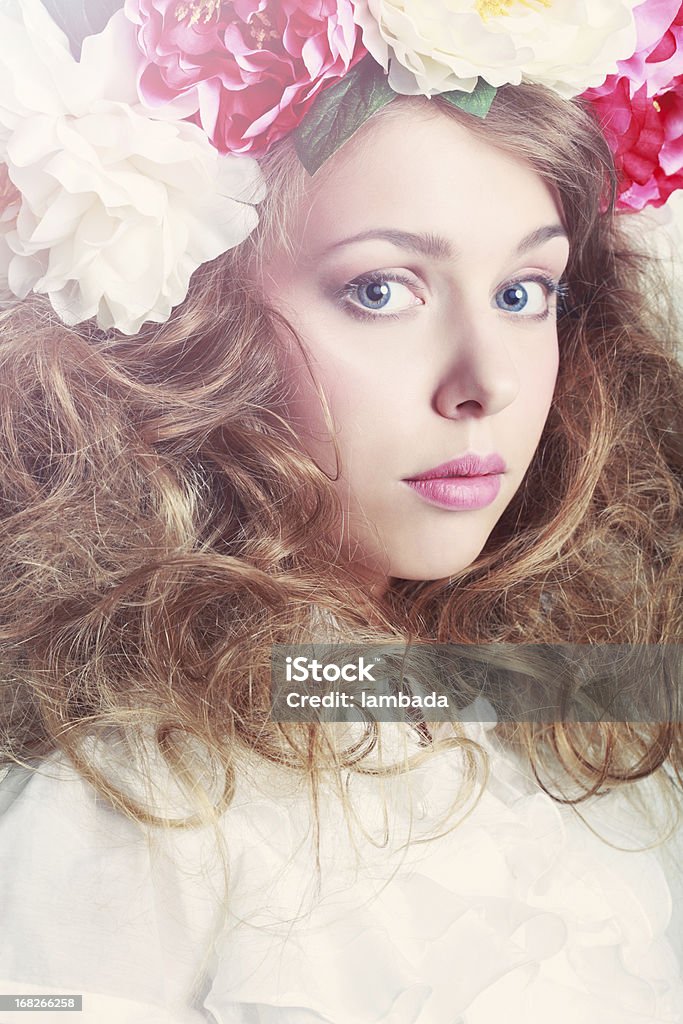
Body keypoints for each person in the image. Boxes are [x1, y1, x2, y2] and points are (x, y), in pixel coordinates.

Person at [0, 0, 682, 1021]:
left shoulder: (556, 714)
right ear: (200, 324)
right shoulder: (125, 804)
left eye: (522, 291)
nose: (481, 384)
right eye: (380, 289)